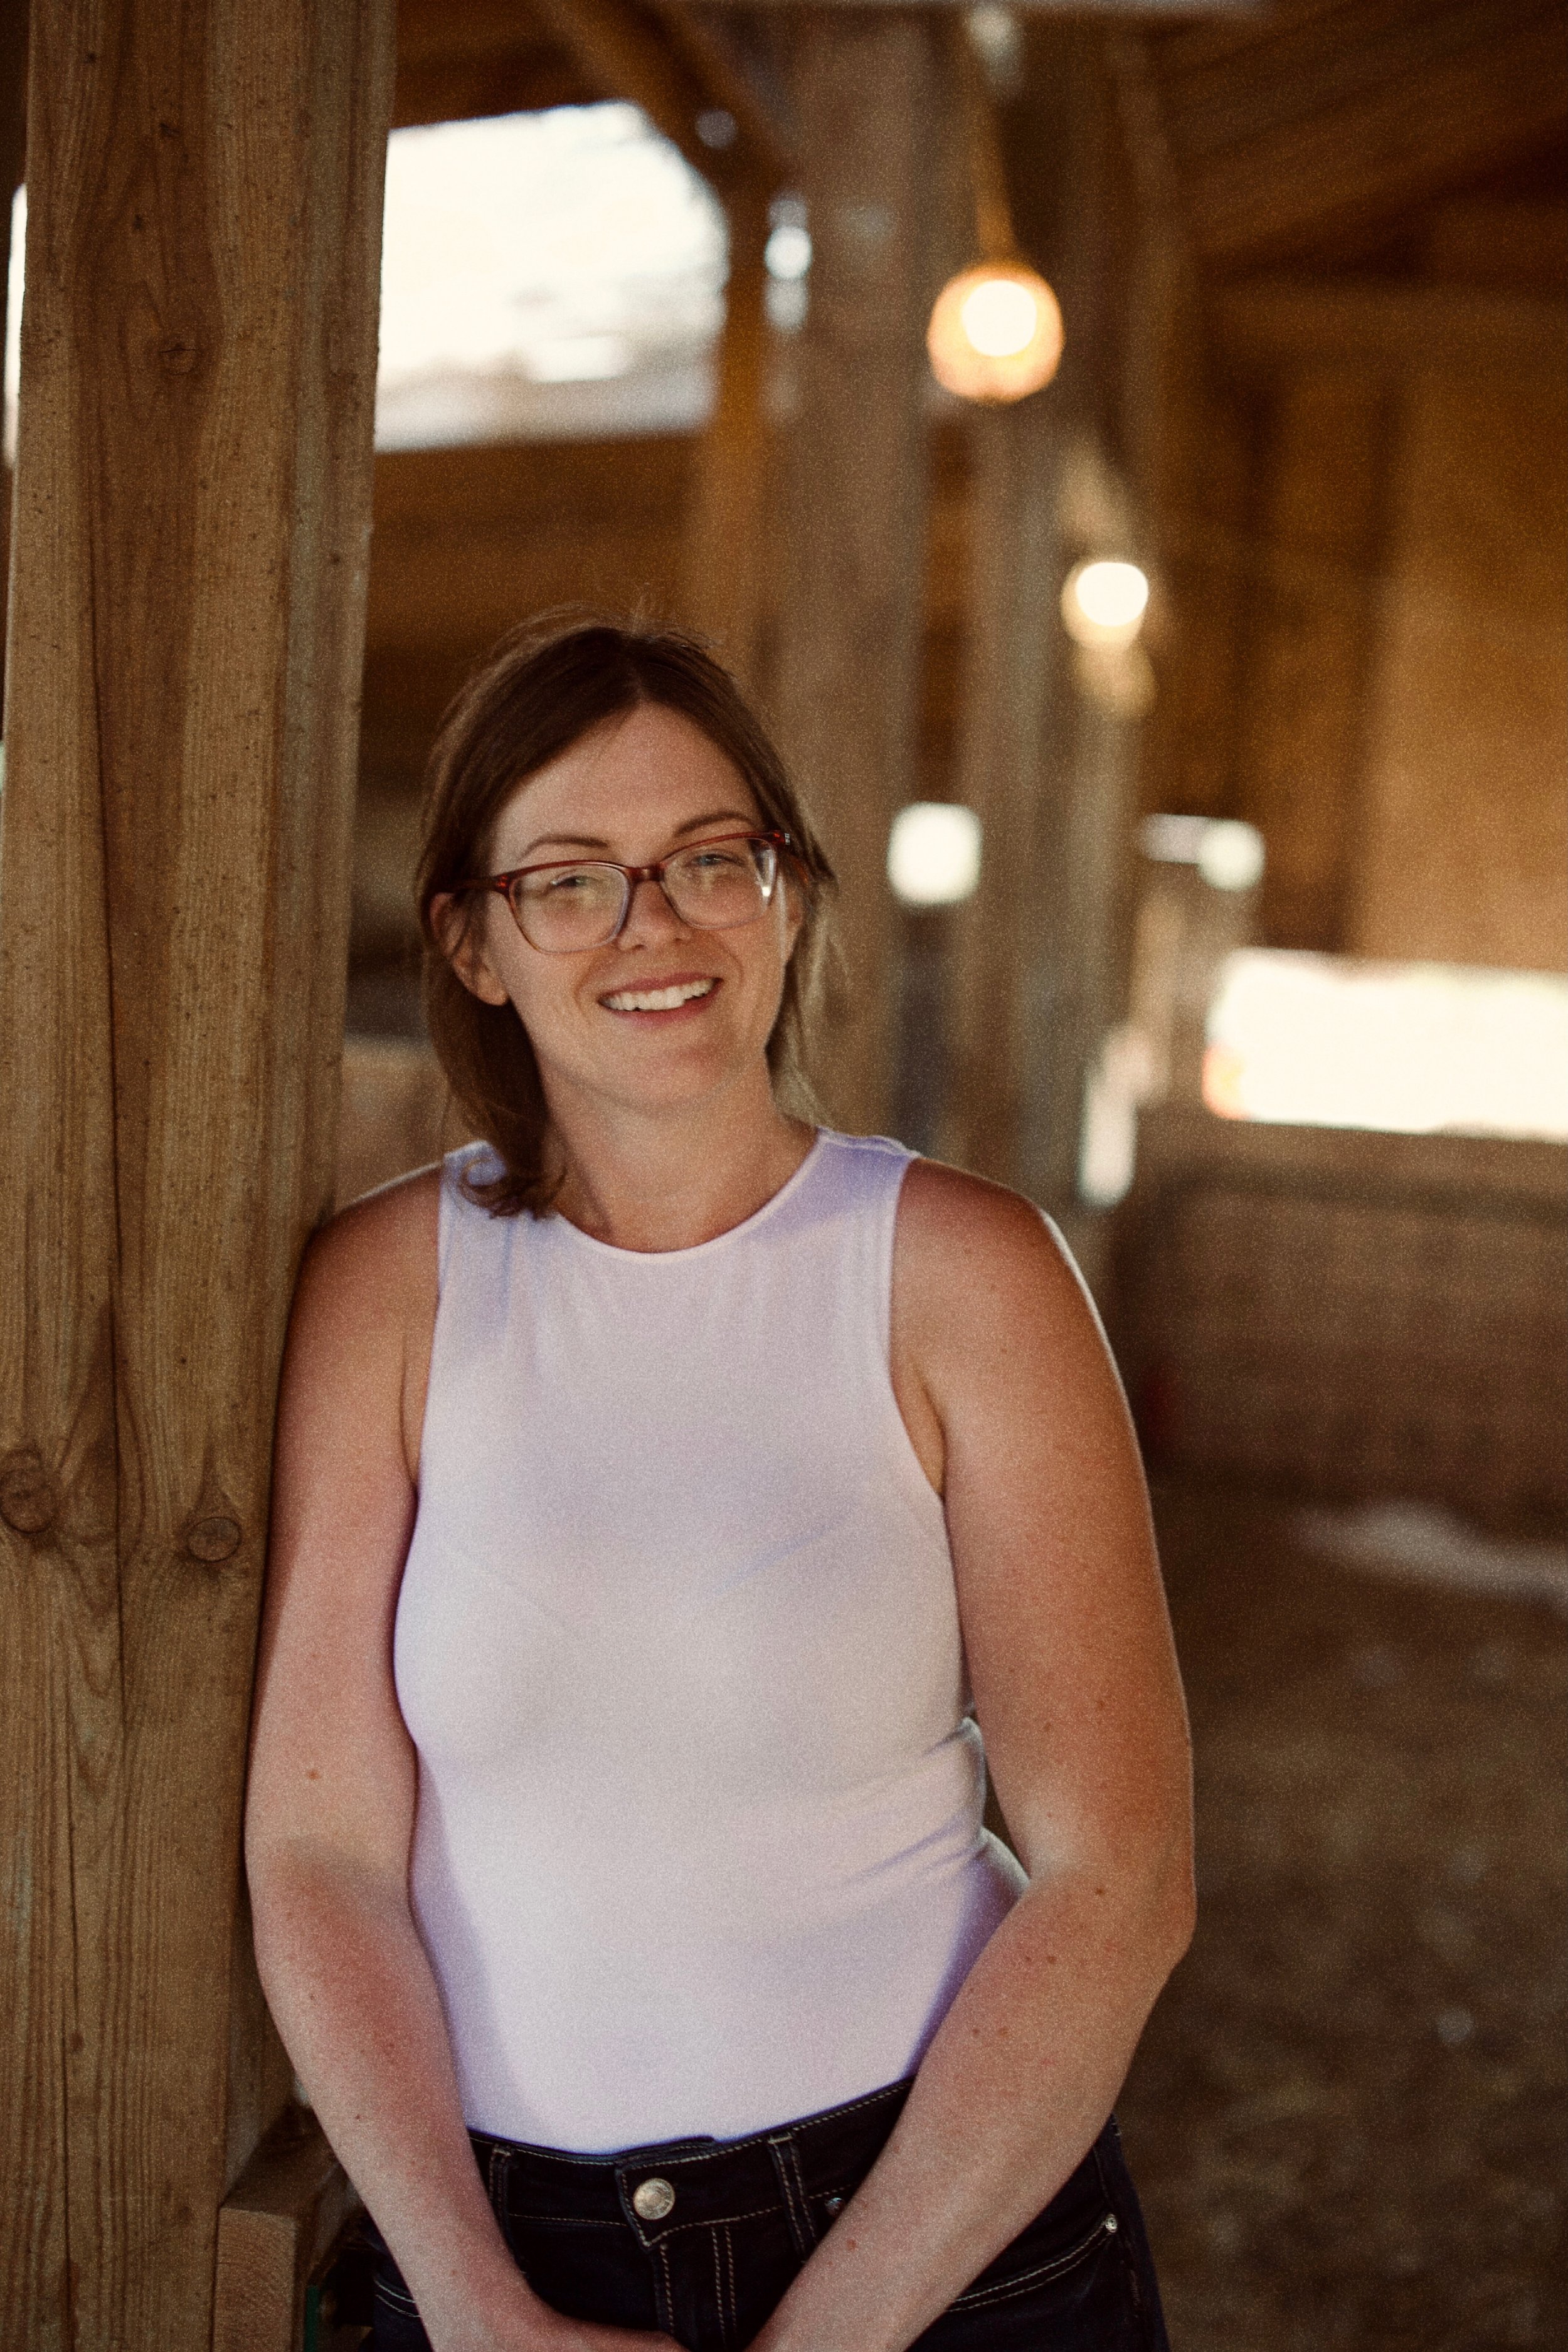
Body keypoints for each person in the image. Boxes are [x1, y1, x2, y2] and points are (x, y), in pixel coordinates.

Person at [245, 614, 1194, 2352]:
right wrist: (470, 2303)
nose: (654, 927)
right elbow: (322, 1855)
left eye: (707, 859)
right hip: (494, 2252)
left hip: (925, 2235)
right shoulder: (387, 1290)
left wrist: (830, 2335)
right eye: (569, 882)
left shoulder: (964, 1276)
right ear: (470, 942)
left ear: (789, 891)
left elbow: (1116, 1875)